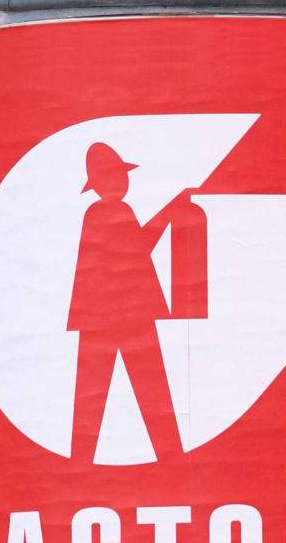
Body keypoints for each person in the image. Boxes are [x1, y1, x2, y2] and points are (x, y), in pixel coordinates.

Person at [67, 140, 206, 464]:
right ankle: (170, 459)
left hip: (98, 319)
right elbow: (140, 248)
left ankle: (80, 465)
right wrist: (171, 212)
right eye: (117, 174)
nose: (123, 180)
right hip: (128, 316)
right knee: (150, 392)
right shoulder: (113, 211)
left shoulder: (100, 212)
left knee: (94, 398)